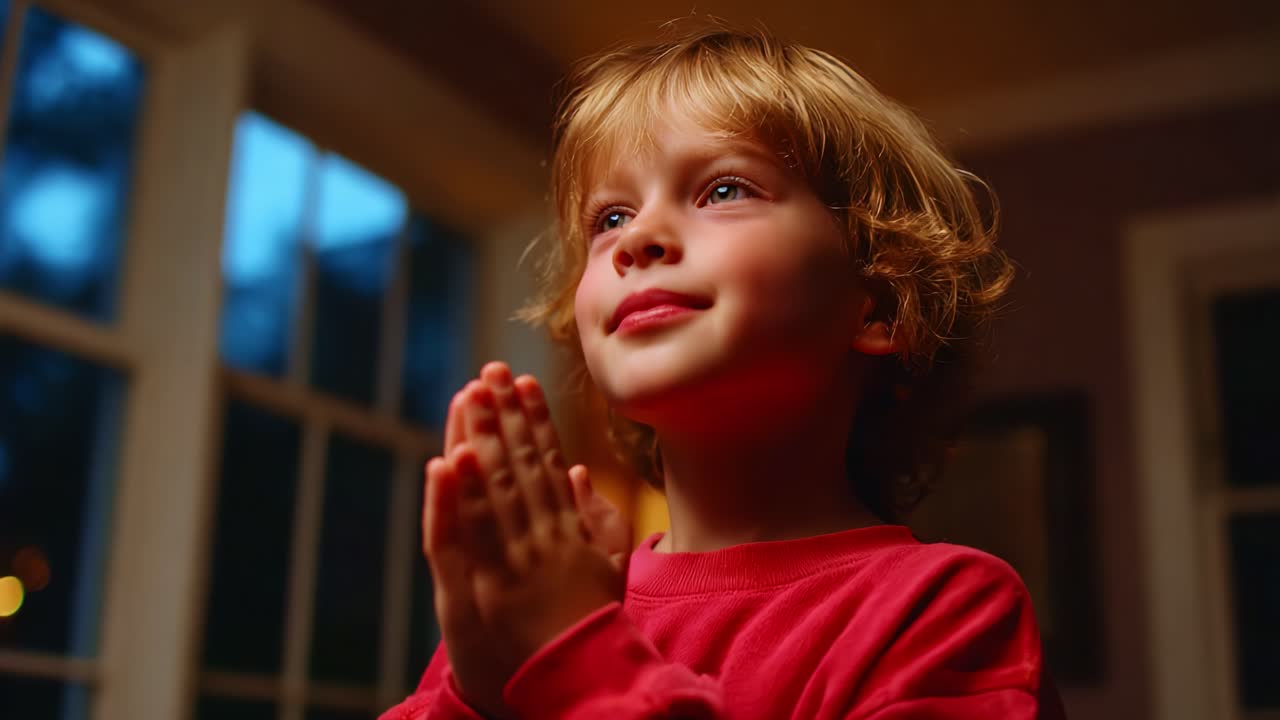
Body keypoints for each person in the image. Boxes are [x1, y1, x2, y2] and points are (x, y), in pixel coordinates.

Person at [381, 21, 1066, 720]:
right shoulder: (560, 588)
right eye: (610, 217)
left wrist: (573, 655)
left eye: (723, 191)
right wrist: (475, 691)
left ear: (879, 306)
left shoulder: (945, 610)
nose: (638, 239)